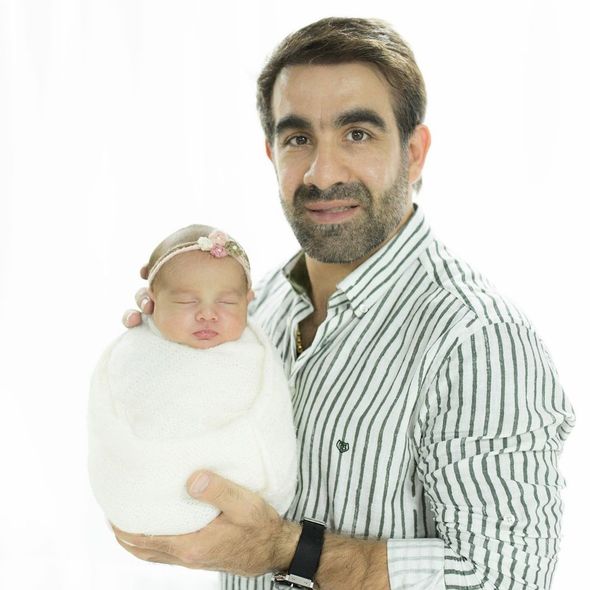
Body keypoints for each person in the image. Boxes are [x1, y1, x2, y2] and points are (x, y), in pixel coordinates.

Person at [115, 17, 575, 590]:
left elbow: (506, 578)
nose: (322, 172)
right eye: (298, 138)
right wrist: (158, 357)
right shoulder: (255, 312)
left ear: (414, 152)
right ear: (271, 153)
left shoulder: (476, 339)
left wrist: (283, 550)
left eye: (357, 134)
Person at [88, 224, 297, 536]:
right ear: (152, 300)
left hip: (250, 509)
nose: (207, 314)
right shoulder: (139, 350)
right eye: (186, 302)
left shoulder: (251, 349)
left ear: (248, 300)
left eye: (227, 303)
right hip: (148, 491)